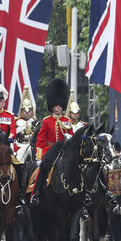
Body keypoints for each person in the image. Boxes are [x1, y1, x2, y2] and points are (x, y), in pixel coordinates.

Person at [30, 79, 79, 215]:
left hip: (64, 150)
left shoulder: (67, 121)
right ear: (52, 106)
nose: (58, 107)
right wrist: (39, 157)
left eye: (60, 105)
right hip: (50, 151)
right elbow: (40, 140)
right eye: (55, 105)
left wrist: (70, 137)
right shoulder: (46, 121)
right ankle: (35, 193)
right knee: (44, 168)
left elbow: (71, 136)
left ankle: (81, 199)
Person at [14, 85, 36, 161]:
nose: (27, 113)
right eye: (25, 111)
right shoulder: (16, 122)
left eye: (29, 111)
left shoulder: (35, 122)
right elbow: (13, 138)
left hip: (32, 147)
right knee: (18, 161)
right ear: (22, 110)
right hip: (20, 147)